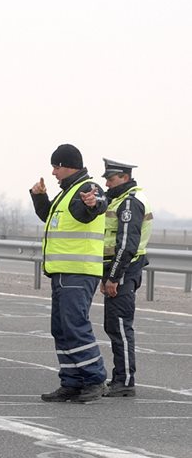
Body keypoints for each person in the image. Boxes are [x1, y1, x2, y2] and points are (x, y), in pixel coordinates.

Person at [29, 144, 109, 403]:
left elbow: (95, 206)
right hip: (63, 272)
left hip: (79, 271)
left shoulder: (87, 188)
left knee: (75, 326)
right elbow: (50, 218)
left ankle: (95, 379)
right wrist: (39, 197)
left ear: (67, 165)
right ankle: (72, 382)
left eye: (56, 167)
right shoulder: (68, 193)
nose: (53, 172)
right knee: (61, 329)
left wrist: (93, 203)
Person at [100, 158, 153, 397]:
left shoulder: (130, 203)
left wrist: (112, 277)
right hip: (120, 268)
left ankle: (125, 381)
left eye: (111, 179)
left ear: (124, 177)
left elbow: (126, 245)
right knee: (114, 324)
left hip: (124, 269)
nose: (108, 184)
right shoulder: (120, 199)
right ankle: (120, 377)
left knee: (120, 325)